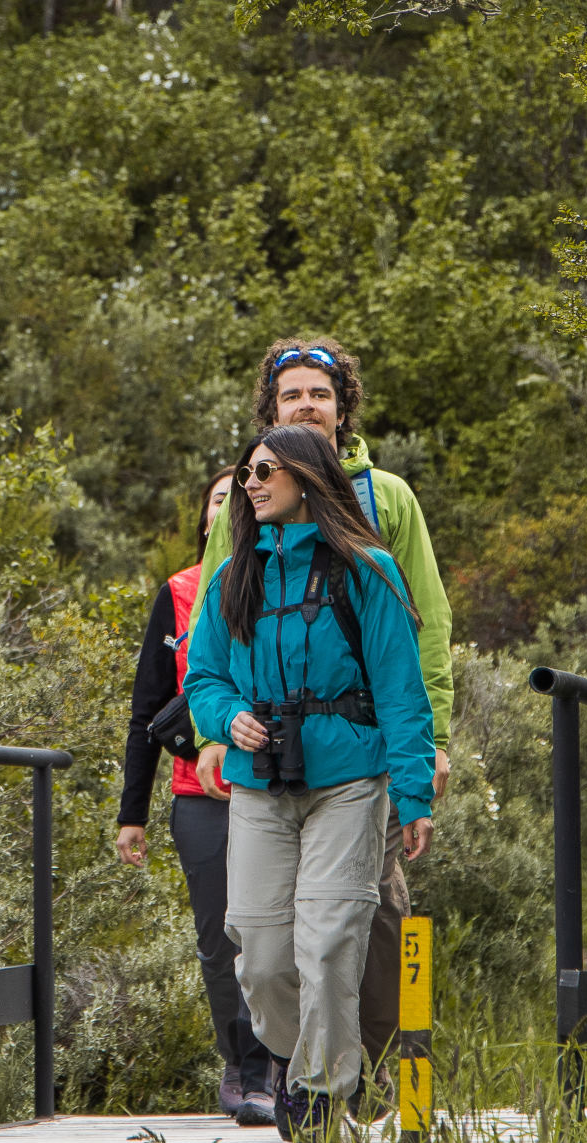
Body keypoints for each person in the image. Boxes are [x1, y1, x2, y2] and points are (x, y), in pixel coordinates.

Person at [190, 338, 454, 1094]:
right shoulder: (238, 556)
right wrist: (221, 722)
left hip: (352, 768)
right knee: (265, 953)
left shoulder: (379, 532)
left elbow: (414, 658)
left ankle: (333, 1092)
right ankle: (307, 1057)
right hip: (263, 774)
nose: (249, 483)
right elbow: (205, 666)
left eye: (320, 393)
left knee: (341, 936)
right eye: (291, 394)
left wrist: (419, 777)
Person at [115, 467, 276, 1127]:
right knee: (219, 942)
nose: (228, 506)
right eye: (216, 499)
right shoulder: (179, 593)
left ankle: (281, 1065)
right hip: (199, 795)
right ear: (205, 519)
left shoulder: (284, 580)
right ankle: (240, 1063)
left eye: (237, 495)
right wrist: (132, 811)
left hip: (276, 789)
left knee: (278, 934)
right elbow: (145, 709)